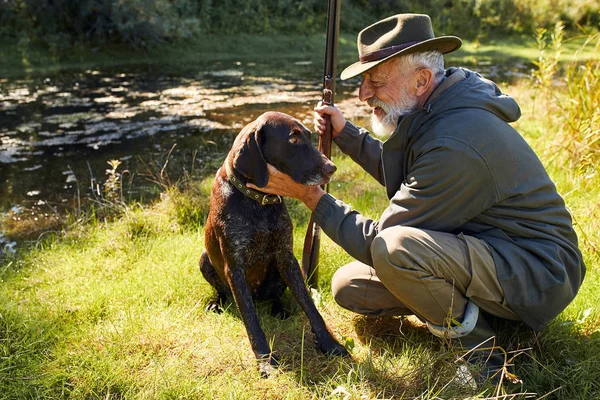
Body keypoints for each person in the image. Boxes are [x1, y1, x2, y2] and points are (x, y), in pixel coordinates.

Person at [249, 13, 586, 381]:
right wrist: (346, 135)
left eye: (375, 81)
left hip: (540, 273)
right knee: (351, 287)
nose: (363, 93)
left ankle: (483, 358)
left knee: (396, 250)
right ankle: (480, 312)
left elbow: (384, 242)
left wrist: (312, 197)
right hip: (492, 250)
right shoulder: (438, 106)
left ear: (422, 78)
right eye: (364, 81)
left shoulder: (457, 141)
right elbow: (407, 170)